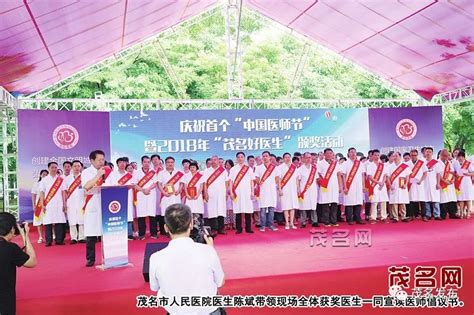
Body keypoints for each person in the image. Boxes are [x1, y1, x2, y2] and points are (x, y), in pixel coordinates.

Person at [149, 204, 225, 315]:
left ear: (166, 228)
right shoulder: (207, 251)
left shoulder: (156, 258)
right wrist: (211, 250)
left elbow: (154, 287)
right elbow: (220, 282)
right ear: (191, 225)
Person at [0, 213, 37, 315]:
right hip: (4, 301)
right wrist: (25, 236)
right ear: (12, 229)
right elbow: (32, 262)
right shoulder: (11, 248)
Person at [82, 150, 111, 267]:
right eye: (99, 160)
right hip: (92, 205)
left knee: (107, 233)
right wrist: (98, 175)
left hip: (106, 205)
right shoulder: (86, 172)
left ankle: (108, 256)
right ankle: (90, 258)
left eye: (103, 159)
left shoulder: (108, 171)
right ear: (92, 160)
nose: (101, 162)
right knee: (91, 234)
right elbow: (87, 186)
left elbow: (113, 184)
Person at [105, 157, 136, 239]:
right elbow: (108, 184)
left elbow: (133, 184)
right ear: (117, 164)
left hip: (127, 196)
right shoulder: (112, 174)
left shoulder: (129, 175)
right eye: (120, 163)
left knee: (128, 214)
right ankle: (119, 233)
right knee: (118, 214)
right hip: (116, 196)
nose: (122, 164)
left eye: (123, 163)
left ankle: (129, 233)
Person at [39, 162, 67, 246]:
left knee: (59, 222)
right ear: (49, 168)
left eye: (55, 167)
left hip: (59, 203)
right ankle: (48, 241)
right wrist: (42, 204)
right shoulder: (44, 180)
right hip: (48, 204)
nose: (54, 169)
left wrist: (64, 203)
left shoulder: (61, 179)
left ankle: (59, 240)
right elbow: (42, 193)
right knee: (48, 223)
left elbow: (63, 192)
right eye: (52, 167)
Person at [229, 152, 255, 234]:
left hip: (247, 192)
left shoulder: (248, 169)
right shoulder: (233, 169)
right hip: (237, 192)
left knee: (248, 210)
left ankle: (248, 228)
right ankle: (239, 228)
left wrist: (252, 192)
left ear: (244, 158)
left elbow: (252, 181)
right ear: (236, 159)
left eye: (242, 157)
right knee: (238, 210)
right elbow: (230, 181)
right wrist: (231, 192)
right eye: (238, 157)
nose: (240, 158)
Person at [134, 155, 159, 240]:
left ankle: (154, 233)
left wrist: (148, 189)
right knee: (141, 215)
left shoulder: (153, 172)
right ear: (141, 162)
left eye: (148, 162)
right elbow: (134, 184)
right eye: (145, 162)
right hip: (141, 195)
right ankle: (142, 234)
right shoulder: (136, 172)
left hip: (151, 194)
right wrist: (143, 190)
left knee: (152, 215)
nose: (147, 164)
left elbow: (155, 183)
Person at [338, 147, 365, 225]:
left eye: (354, 152)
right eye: (351, 152)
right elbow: (343, 175)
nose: (353, 154)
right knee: (349, 202)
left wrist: (363, 186)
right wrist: (345, 187)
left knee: (358, 202)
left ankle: (358, 219)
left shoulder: (359, 163)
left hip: (358, 186)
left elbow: (363, 175)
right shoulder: (345, 163)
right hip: (349, 186)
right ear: (348, 154)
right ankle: (349, 219)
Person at [157, 157, 184, 229]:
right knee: (166, 213)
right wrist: (163, 192)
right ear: (165, 163)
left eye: (172, 162)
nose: (170, 164)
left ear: (174, 163)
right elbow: (159, 184)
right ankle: (167, 230)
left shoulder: (178, 172)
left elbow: (181, 183)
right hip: (166, 196)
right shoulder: (161, 173)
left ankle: (176, 229)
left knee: (176, 213)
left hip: (175, 195)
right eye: (168, 162)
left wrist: (179, 190)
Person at [203, 155, 227, 235]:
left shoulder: (223, 170)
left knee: (221, 210)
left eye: (215, 160)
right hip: (211, 193)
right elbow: (205, 183)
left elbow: (226, 182)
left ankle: (221, 228)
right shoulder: (206, 171)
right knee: (212, 211)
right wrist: (205, 193)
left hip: (221, 193)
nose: (213, 161)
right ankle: (214, 228)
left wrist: (226, 192)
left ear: (218, 161)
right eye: (212, 160)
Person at [255, 151, 279, 232]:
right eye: (264, 156)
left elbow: (277, 178)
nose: (265, 157)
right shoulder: (259, 167)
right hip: (263, 191)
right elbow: (257, 178)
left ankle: (271, 225)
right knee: (263, 209)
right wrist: (260, 182)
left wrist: (272, 184)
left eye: (266, 156)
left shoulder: (274, 167)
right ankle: (262, 226)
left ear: (269, 157)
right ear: (262, 158)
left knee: (271, 209)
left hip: (271, 190)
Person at [276, 152, 299, 229]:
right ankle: (287, 223)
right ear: (283, 158)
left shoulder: (294, 167)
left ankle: (292, 223)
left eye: (289, 157)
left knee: (292, 206)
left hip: (293, 189)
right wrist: (279, 189)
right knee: (286, 206)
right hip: (284, 189)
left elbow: (297, 179)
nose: (287, 158)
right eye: (286, 157)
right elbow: (279, 179)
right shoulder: (280, 167)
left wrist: (298, 188)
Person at [317, 148, 340, 227]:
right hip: (325, 186)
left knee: (334, 204)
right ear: (324, 154)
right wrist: (322, 183)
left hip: (334, 186)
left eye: (331, 153)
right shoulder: (320, 163)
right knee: (325, 204)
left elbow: (338, 175)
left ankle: (333, 221)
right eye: (327, 153)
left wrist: (340, 186)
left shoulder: (336, 163)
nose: (329, 155)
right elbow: (318, 175)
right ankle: (326, 221)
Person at [65, 160, 85, 244]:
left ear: (81, 167)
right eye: (75, 166)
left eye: (78, 166)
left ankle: (82, 237)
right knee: (72, 219)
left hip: (82, 201)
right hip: (71, 202)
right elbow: (65, 191)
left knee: (82, 219)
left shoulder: (84, 177)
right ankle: (73, 237)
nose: (77, 168)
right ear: (72, 168)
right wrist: (65, 203)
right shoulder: (67, 178)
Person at [367, 149, 389, 224]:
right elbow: (369, 177)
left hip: (382, 185)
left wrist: (382, 182)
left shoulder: (383, 165)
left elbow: (385, 175)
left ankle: (384, 217)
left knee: (383, 201)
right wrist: (378, 182)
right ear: (372, 156)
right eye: (375, 155)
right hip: (374, 185)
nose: (377, 156)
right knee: (374, 202)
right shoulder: (369, 165)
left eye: (378, 155)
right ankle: (373, 217)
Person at [387, 152, 410, 223]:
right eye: (393, 156)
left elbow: (407, 176)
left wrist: (406, 184)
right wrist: (390, 185)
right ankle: (395, 217)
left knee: (402, 202)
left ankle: (403, 216)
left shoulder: (405, 166)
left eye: (396, 156)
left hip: (402, 186)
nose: (395, 157)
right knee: (394, 202)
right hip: (394, 186)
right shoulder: (390, 166)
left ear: (400, 157)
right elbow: (387, 177)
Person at [297, 152, 319, 228]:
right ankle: (303, 222)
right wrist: (298, 190)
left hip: (312, 189)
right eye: (306, 157)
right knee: (303, 206)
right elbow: (298, 181)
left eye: (309, 157)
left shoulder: (314, 168)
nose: (308, 159)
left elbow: (316, 179)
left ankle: (314, 221)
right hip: (303, 190)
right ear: (303, 158)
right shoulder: (299, 169)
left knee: (313, 206)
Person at [438, 149, 460, 220]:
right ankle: (443, 214)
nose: (446, 157)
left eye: (447, 156)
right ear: (440, 155)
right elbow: (437, 174)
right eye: (444, 156)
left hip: (450, 183)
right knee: (443, 198)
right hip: (442, 183)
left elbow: (452, 172)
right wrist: (445, 181)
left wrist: (451, 180)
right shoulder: (437, 163)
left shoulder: (449, 163)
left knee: (451, 198)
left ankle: (452, 213)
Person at [422, 147, 443, 221]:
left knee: (435, 199)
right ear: (425, 153)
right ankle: (428, 215)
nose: (428, 153)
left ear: (432, 153)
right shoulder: (422, 163)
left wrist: (438, 183)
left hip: (434, 183)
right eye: (427, 152)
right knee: (427, 200)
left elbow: (438, 174)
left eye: (429, 152)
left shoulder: (436, 162)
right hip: (425, 184)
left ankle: (437, 215)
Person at [406, 149, 428, 220]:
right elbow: (405, 174)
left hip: (419, 183)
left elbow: (425, 173)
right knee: (411, 199)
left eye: (415, 155)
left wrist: (421, 180)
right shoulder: (407, 163)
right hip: (410, 184)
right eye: (412, 155)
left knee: (421, 199)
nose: (413, 156)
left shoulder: (421, 163)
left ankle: (424, 215)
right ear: (410, 155)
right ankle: (411, 215)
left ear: (417, 155)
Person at [454, 151, 474, 218]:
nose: (460, 158)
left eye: (462, 156)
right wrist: (455, 174)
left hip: (467, 181)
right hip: (459, 182)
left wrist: (468, 174)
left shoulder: (468, 163)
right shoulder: (455, 163)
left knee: (468, 198)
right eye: (459, 156)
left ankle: (468, 212)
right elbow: (454, 172)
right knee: (461, 198)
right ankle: (462, 212)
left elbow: (473, 173)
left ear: (464, 157)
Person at [31, 169, 48, 243]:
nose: (44, 176)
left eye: (46, 174)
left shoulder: (49, 183)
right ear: (40, 175)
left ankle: (53, 235)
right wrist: (34, 205)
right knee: (39, 221)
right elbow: (33, 195)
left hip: (47, 204)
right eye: (43, 174)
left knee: (50, 221)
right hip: (39, 205)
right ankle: (40, 237)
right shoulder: (36, 184)